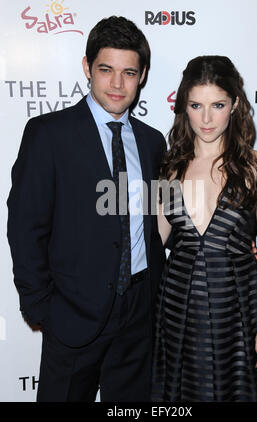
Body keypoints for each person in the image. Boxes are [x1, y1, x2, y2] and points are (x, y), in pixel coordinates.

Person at [7, 16, 166, 402]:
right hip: (72, 314)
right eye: (106, 70)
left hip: (139, 316)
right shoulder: (48, 134)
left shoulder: (152, 141)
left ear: (142, 75)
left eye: (129, 72)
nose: (117, 84)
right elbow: (25, 226)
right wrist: (41, 308)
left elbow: (164, 219)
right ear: (87, 68)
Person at [151, 55, 257, 402]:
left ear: (235, 105)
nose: (207, 118)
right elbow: (155, 242)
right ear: (184, 106)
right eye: (197, 105)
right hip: (179, 307)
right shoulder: (169, 169)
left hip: (240, 305)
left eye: (218, 105)